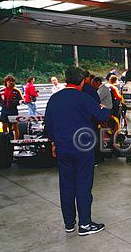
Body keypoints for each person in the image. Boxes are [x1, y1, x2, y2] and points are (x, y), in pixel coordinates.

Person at [44, 66, 110, 235]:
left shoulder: (54, 99)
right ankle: (85, 224)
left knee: (66, 186)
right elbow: (103, 116)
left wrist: (53, 143)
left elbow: (49, 126)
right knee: (83, 185)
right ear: (82, 81)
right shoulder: (84, 98)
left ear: (67, 79)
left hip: (62, 149)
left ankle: (69, 223)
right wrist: (103, 107)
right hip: (82, 148)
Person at [0, 75, 23, 140]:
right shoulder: (1, 91)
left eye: (12, 81)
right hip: (4, 111)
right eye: (9, 81)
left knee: (15, 127)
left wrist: (21, 101)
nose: (11, 82)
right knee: (4, 126)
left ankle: (16, 141)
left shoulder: (17, 91)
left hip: (13, 110)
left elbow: (21, 100)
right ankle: (5, 140)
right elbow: (0, 102)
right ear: (6, 82)